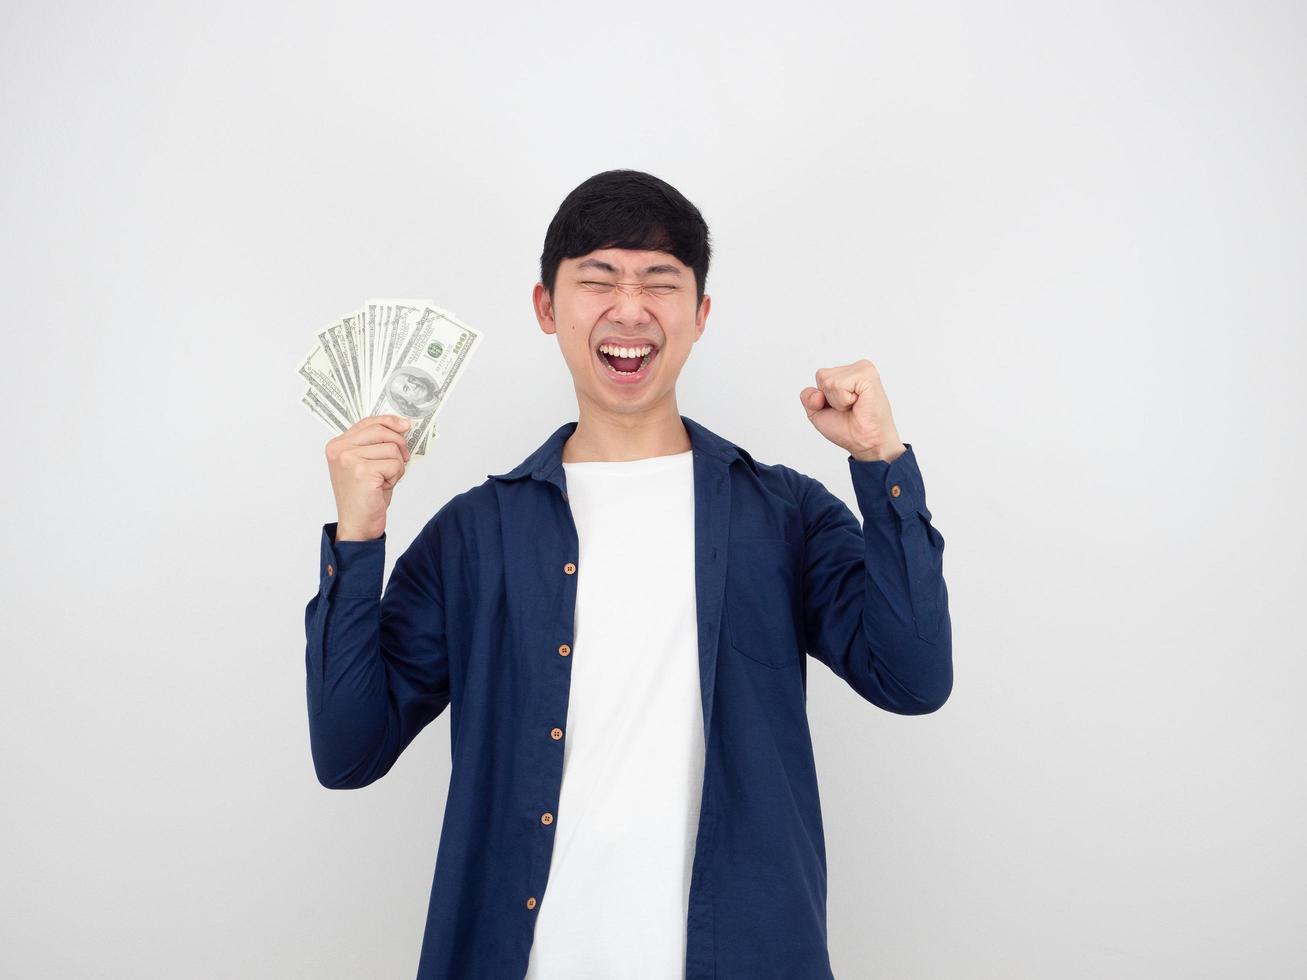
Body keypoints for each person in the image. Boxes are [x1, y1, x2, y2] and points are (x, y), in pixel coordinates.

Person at [305, 169, 952, 980]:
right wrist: (359, 531)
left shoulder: (783, 516)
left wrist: (881, 462)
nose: (629, 307)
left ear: (699, 314)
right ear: (546, 307)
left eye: (659, 281)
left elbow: (915, 675)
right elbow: (347, 749)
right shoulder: (475, 535)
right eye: (598, 278)